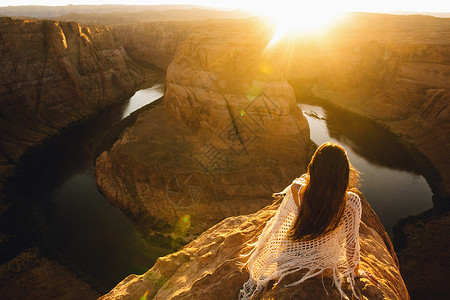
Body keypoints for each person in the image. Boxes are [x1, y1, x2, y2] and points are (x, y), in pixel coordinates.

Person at [239, 142, 362, 299]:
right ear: (343, 173)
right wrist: (356, 272)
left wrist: (313, 178)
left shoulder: (297, 189)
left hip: (290, 252)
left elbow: (282, 221)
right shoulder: (351, 202)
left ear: (314, 166)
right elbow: (352, 246)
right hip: (323, 260)